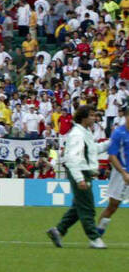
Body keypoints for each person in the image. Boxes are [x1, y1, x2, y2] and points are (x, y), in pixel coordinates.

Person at [47, 104, 108, 249]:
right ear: (83, 118)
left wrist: (110, 143)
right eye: (92, 115)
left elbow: (93, 150)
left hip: (83, 172)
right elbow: (72, 158)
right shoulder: (77, 134)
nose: (94, 118)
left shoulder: (85, 132)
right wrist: (79, 178)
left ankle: (58, 230)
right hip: (79, 172)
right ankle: (94, 238)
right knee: (87, 207)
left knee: (78, 207)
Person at [97, 107, 129, 237]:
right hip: (121, 175)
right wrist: (124, 173)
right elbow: (112, 156)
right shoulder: (118, 133)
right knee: (113, 206)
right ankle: (97, 235)